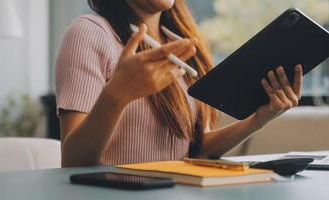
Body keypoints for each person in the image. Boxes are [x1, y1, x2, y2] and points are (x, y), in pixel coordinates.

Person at [55, 0, 303, 167]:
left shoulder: (183, 45)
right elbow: (74, 161)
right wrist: (116, 96)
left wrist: (257, 120)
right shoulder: (90, 33)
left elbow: (196, 151)